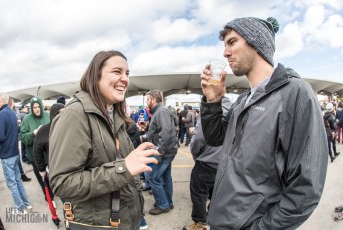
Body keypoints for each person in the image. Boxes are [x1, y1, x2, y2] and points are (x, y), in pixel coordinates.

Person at [200, 17, 328, 229]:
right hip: (221, 218)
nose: (225, 53)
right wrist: (213, 101)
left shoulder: (295, 92)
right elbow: (215, 138)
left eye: (232, 42)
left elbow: (306, 189)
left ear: (255, 42)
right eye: (225, 46)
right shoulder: (243, 99)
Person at [49, 50, 159, 229]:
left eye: (127, 73)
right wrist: (124, 168)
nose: (125, 79)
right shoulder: (75, 115)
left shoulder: (114, 114)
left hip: (126, 220)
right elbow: (63, 183)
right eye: (117, 72)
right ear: (95, 76)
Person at [183, 96, 231, 230]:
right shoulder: (234, 112)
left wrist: (195, 155)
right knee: (217, 194)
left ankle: (200, 224)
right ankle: (213, 219)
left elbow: (198, 140)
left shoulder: (210, 112)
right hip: (224, 164)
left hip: (206, 162)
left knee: (198, 194)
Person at [139, 90, 178, 215]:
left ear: (154, 100)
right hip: (167, 151)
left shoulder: (161, 112)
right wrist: (147, 128)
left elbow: (165, 133)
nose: (146, 102)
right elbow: (158, 130)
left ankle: (163, 205)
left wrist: (159, 153)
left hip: (164, 152)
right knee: (166, 177)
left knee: (153, 178)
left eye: (148, 100)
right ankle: (167, 202)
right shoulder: (158, 112)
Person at [0, 92, 32, 214]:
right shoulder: (12, 113)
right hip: (14, 151)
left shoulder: (1, 114)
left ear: (1, 100)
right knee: (17, 180)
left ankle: (20, 207)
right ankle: (27, 203)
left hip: (7, 154)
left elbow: (0, 136)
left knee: (12, 183)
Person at [20, 97, 50, 197]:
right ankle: (49, 197)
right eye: (34, 107)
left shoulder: (47, 116)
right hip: (35, 157)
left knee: (52, 176)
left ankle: (54, 191)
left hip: (49, 154)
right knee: (42, 179)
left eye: (38, 106)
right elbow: (23, 137)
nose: (37, 109)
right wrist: (33, 133)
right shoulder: (27, 119)